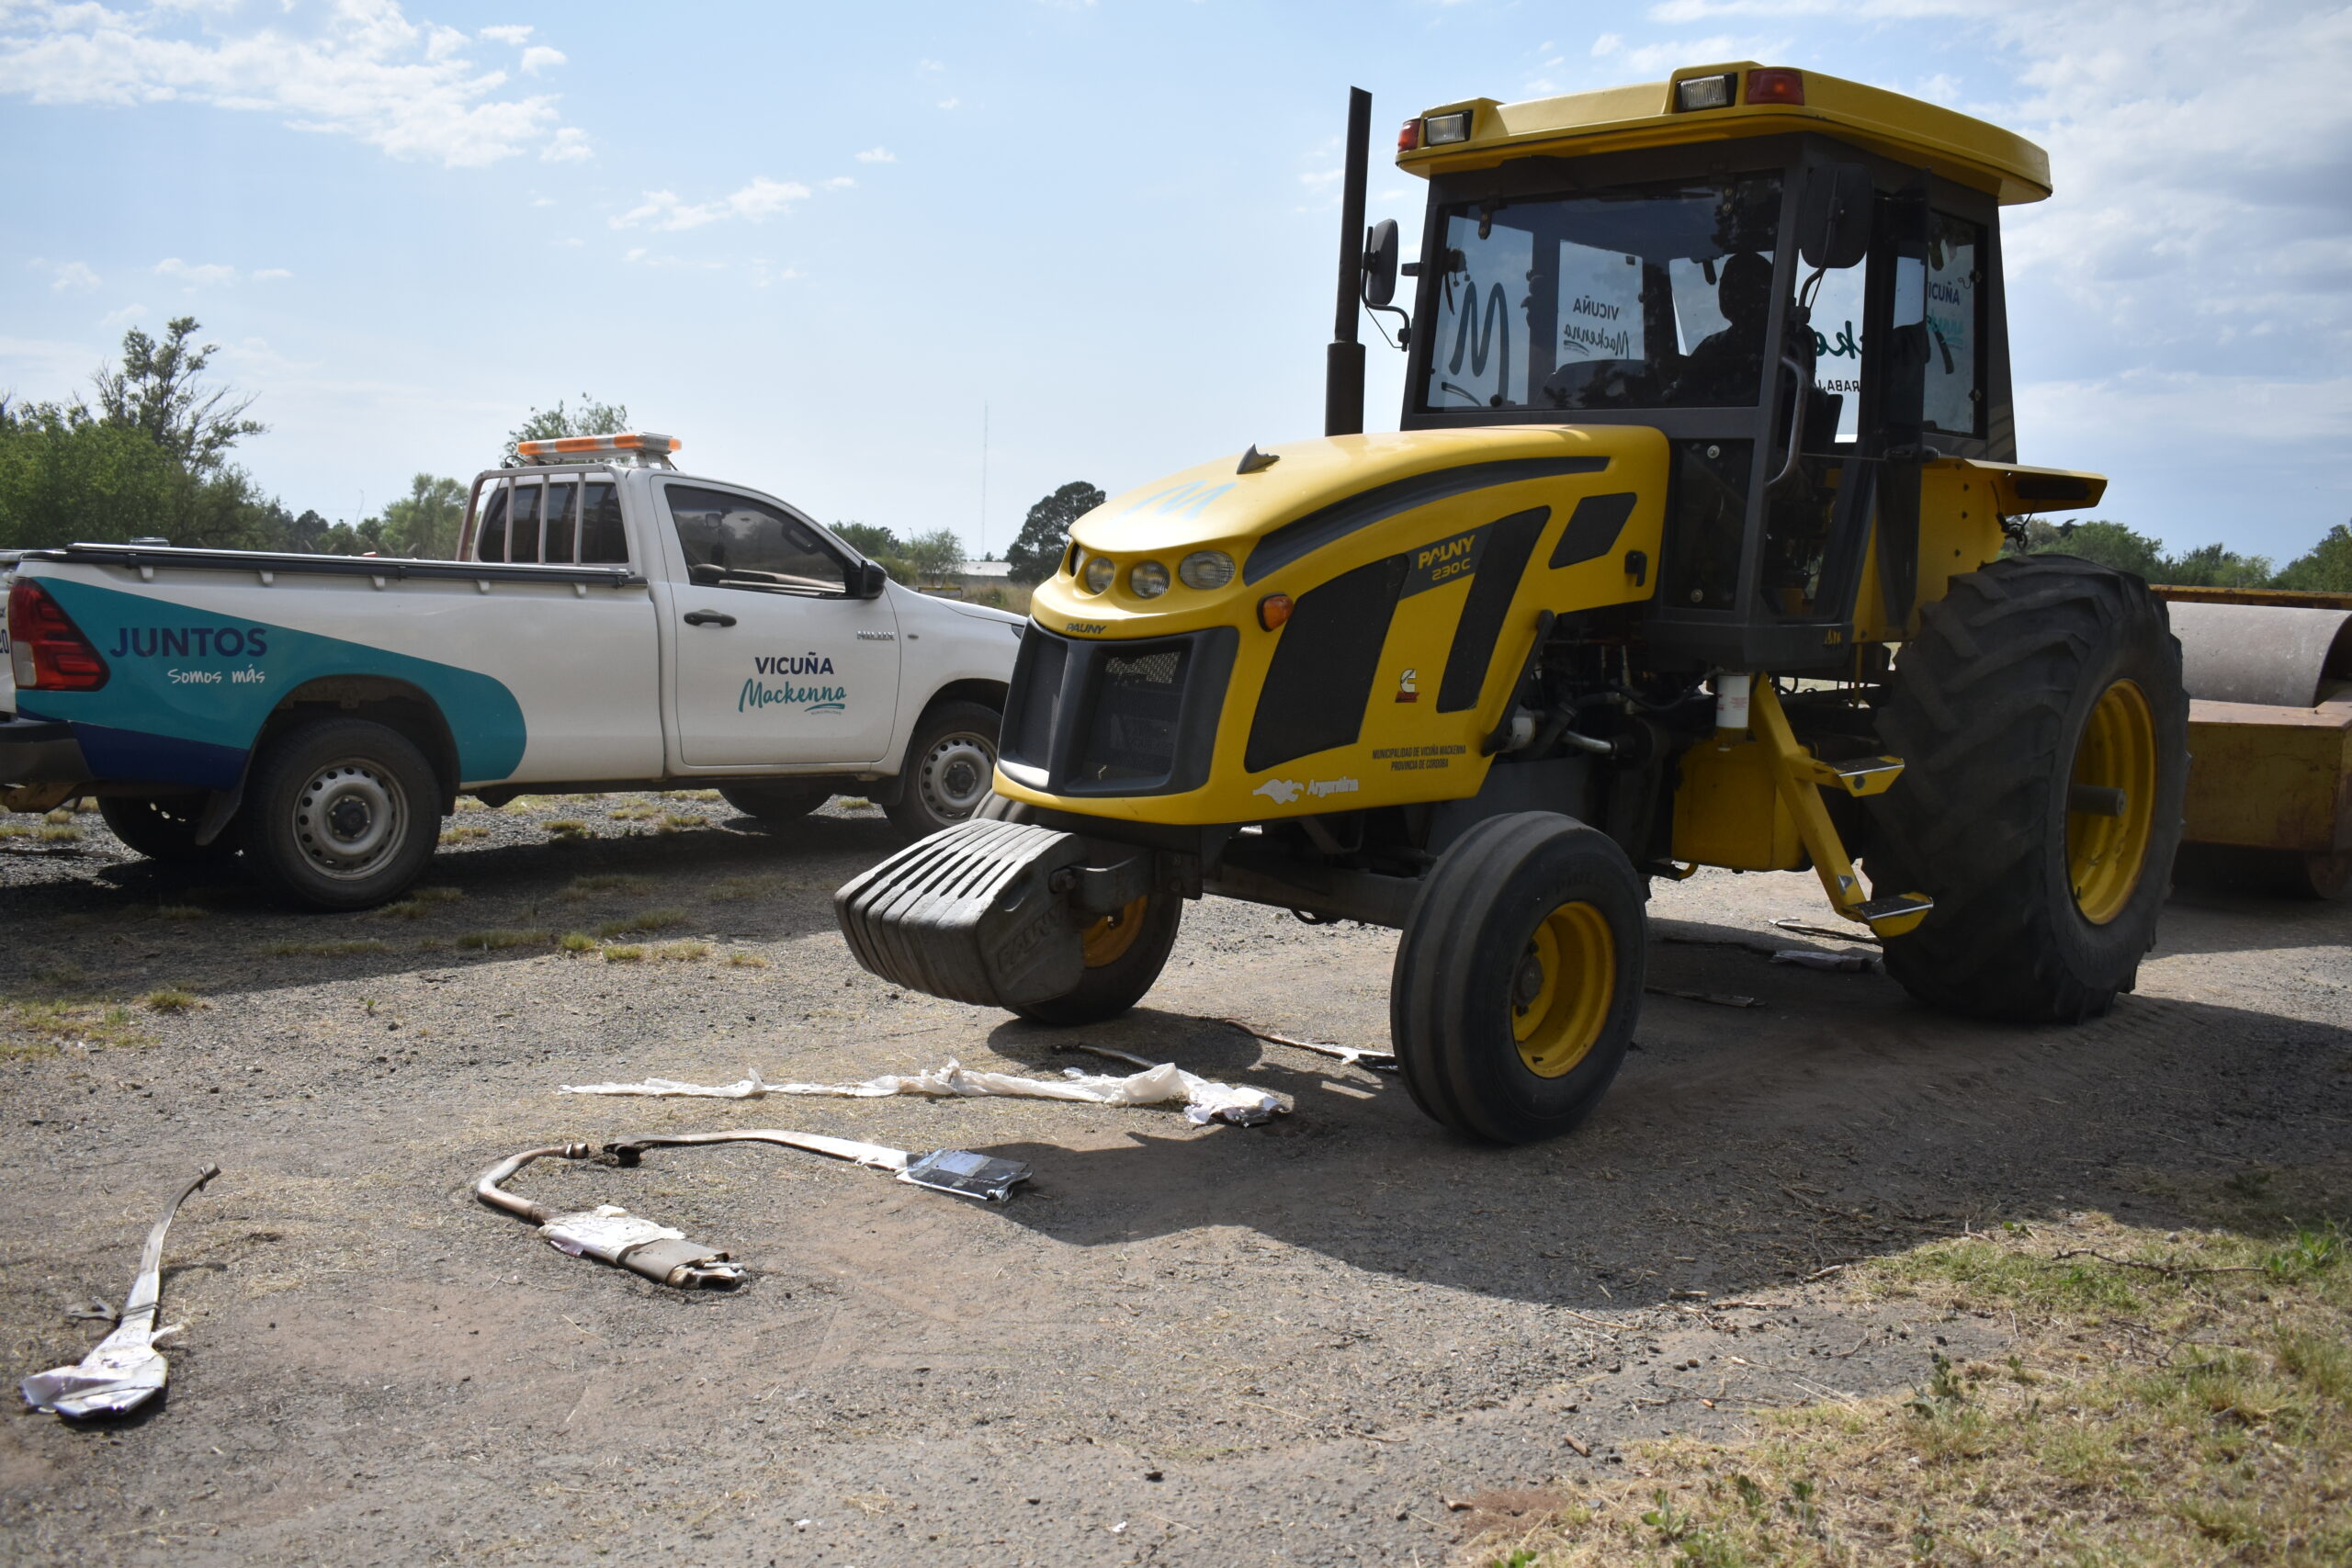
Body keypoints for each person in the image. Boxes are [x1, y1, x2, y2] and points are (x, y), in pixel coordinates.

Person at [1677, 251, 1774, 405]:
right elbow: (1679, 398)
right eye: (1724, 284)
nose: (1725, 293)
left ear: (1763, 292)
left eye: (1737, 284)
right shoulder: (1712, 346)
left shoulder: (1783, 345)